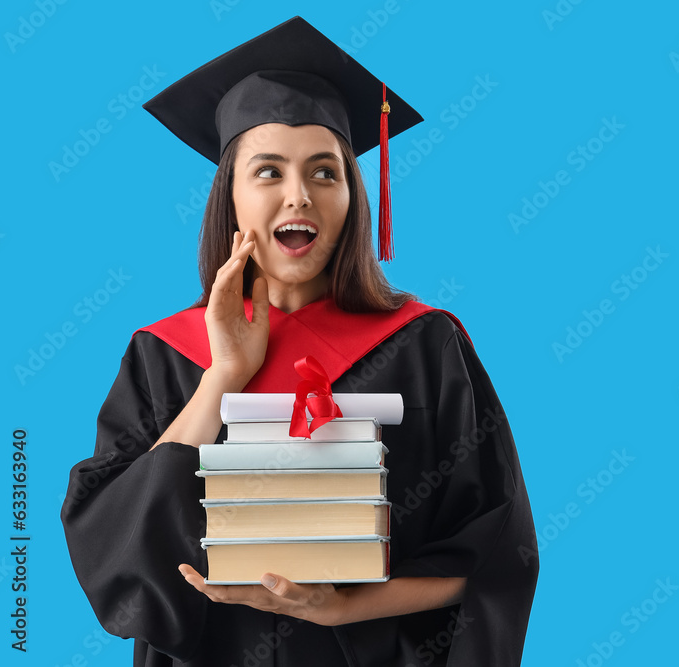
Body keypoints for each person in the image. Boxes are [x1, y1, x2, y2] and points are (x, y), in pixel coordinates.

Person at [60, 16, 539, 667]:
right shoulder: (163, 355)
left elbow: (496, 557)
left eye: (324, 172)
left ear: (351, 197)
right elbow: (113, 554)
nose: (299, 195)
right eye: (267, 171)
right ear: (229, 194)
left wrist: (341, 605)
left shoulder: (426, 346)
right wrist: (223, 375)